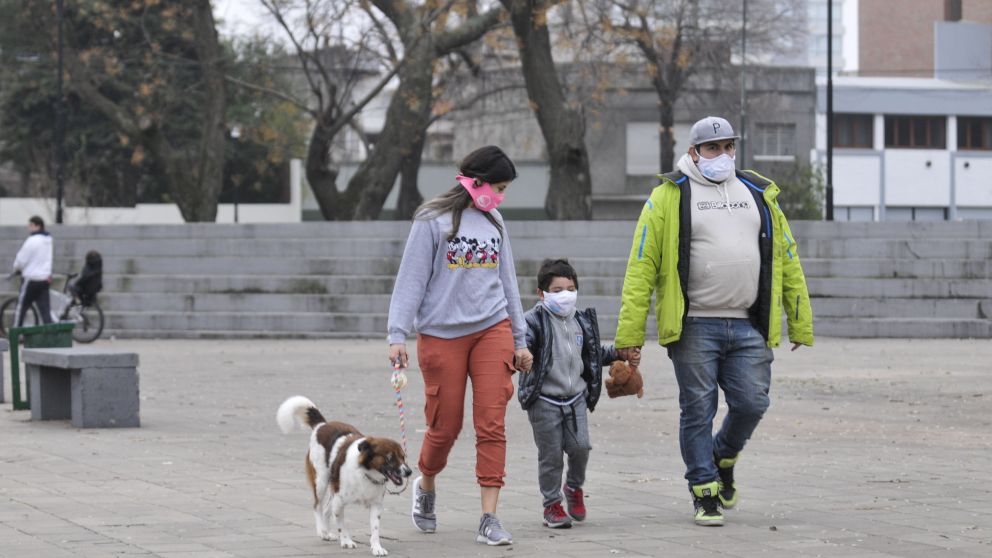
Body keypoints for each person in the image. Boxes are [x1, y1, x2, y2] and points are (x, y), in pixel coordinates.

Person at [614, 116, 813, 527]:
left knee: (752, 402)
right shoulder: (669, 196)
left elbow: (786, 256)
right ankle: (704, 490)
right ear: (693, 153)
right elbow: (641, 267)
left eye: (728, 147)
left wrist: (799, 319)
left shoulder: (757, 192)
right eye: (713, 148)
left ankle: (723, 454)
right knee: (697, 409)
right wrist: (630, 337)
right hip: (694, 327)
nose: (722, 156)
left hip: (748, 324)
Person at [387, 145, 533, 546]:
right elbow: (411, 279)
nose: (500, 196)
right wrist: (397, 334)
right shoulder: (431, 219)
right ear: (476, 181)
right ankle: (427, 484)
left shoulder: (494, 221)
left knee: (491, 423)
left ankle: (489, 517)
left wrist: (520, 340)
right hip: (441, 334)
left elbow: (509, 284)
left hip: (492, 328)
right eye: (498, 187)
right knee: (445, 426)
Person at [518, 258, 638, 529]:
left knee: (581, 447)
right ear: (542, 293)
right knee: (550, 456)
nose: (565, 295)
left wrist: (620, 353)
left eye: (570, 288)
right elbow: (521, 347)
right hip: (544, 400)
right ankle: (552, 505)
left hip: (575, 400)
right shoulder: (532, 321)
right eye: (558, 290)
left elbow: (594, 354)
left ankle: (573, 488)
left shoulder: (580, 320)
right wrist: (521, 356)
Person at [12, 215, 54, 326]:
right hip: (44, 279)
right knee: (45, 311)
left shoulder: (32, 241)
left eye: (31, 225)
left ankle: (16, 333)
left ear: (37, 226)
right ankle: (51, 337)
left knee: (21, 308)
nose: (28, 228)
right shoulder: (48, 241)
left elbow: (21, 260)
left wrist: (17, 268)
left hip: (31, 279)